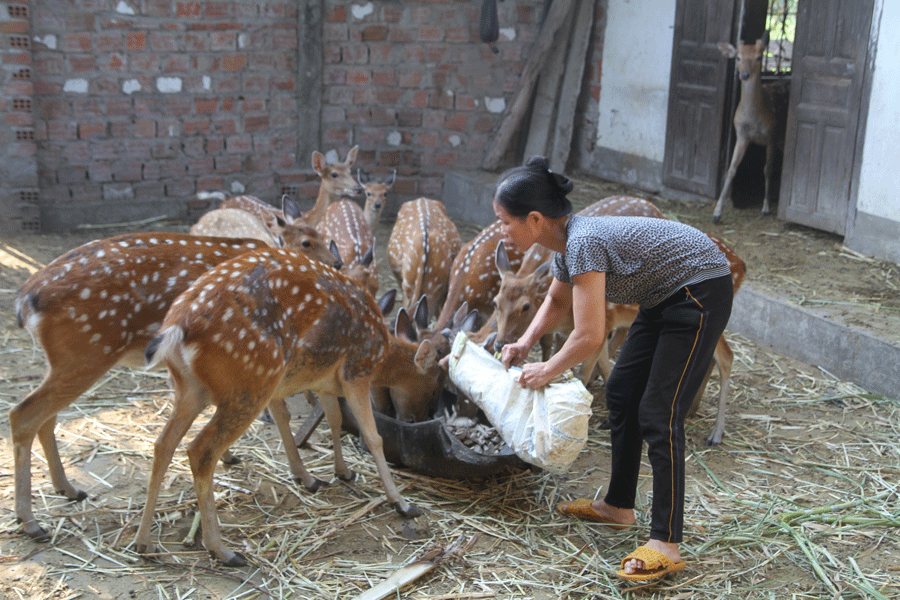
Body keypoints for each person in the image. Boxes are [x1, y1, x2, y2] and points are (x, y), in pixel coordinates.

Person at [495, 156, 733, 582]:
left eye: (505, 222)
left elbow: (590, 335)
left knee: (661, 413)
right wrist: (525, 342)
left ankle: (666, 542)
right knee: (622, 390)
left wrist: (547, 369)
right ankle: (619, 506)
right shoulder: (567, 244)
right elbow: (555, 302)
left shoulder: (583, 241)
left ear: (534, 220)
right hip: (664, 294)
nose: (502, 231)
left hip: (700, 289)